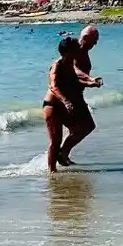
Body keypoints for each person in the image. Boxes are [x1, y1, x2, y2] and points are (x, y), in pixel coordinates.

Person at [58, 24, 103, 167]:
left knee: (75, 128)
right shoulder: (76, 50)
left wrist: (89, 82)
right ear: (85, 38)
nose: (96, 43)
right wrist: (89, 79)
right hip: (70, 95)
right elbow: (74, 69)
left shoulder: (83, 50)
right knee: (88, 126)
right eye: (94, 40)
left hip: (77, 93)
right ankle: (62, 153)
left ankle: (64, 155)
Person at [43, 38, 81, 174]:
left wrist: (90, 82)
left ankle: (63, 155)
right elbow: (54, 87)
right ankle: (51, 172)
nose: (79, 49)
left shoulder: (70, 63)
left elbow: (74, 80)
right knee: (55, 140)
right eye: (76, 48)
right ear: (68, 51)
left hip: (64, 106)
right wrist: (65, 101)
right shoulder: (56, 65)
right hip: (52, 106)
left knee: (80, 128)